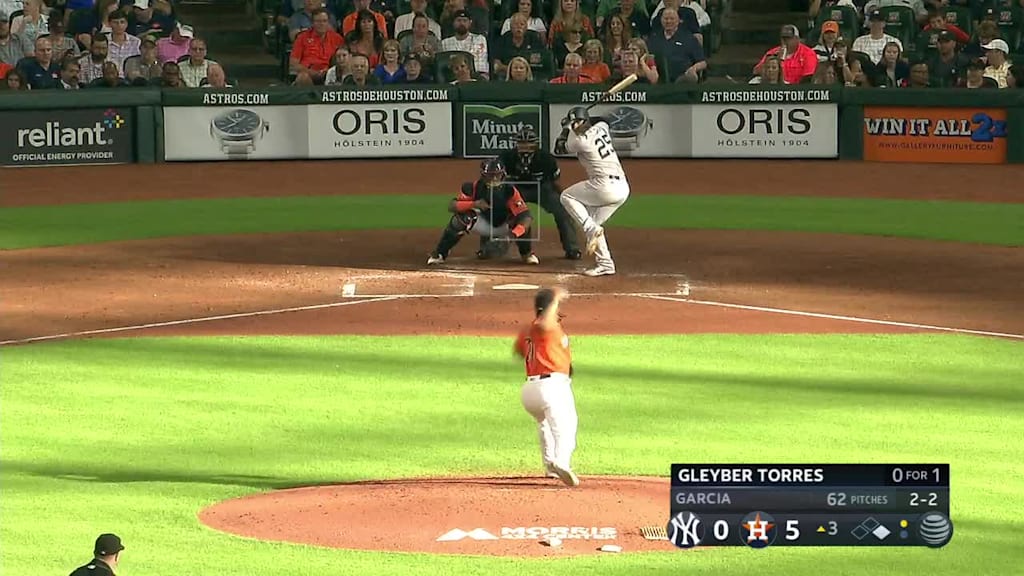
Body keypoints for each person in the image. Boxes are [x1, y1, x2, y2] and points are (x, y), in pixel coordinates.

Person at [553, 106, 631, 277]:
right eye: (574, 124)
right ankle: (606, 264)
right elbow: (604, 120)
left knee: (566, 196)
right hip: (622, 188)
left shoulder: (579, 141)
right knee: (594, 224)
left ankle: (591, 229)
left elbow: (558, 149)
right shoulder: (601, 128)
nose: (575, 126)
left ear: (585, 121)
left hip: (603, 186)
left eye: (578, 122)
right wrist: (578, 119)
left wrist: (565, 128)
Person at [513, 286, 579, 487]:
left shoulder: (530, 331)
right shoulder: (543, 326)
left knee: (544, 424)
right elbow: (545, 322)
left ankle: (550, 465)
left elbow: (520, 351)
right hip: (550, 387)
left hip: (531, 390)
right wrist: (555, 296)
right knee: (566, 427)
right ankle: (561, 462)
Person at [426, 158, 539, 265]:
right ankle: (440, 253)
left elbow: (526, 217)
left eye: (497, 175)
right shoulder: (472, 187)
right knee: (461, 219)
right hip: (483, 223)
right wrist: (474, 204)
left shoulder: (509, 191)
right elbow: (452, 206)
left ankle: (526, 253)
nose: (494, 179)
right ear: (483, 176)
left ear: (503, 175)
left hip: (505, 227)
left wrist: (511, 235)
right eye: (490, 176)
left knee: (521, 221)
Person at [498, 127, 582, 260]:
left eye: (528, 143)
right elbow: (498, 179)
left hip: (541, 188)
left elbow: (553, 179)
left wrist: (557, 195)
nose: (524, 146)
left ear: (535, 144)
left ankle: (572, 248)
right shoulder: (506, 157)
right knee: (498, 207)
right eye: (521, 143)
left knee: (562, 211)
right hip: (516, 189)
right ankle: (491, 248)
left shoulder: (546, 158)